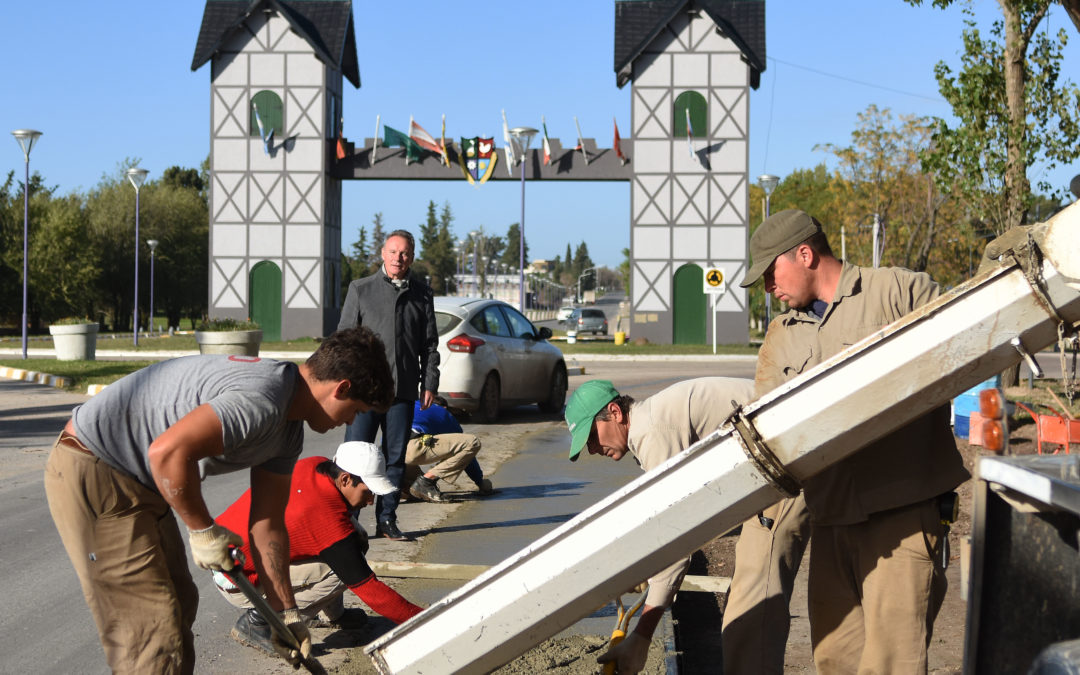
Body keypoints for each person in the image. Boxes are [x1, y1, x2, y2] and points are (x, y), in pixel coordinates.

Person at [43, 326, 395, 673]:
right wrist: (203, 531)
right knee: (152, 633)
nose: (351, 420)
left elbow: (268, 525)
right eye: (357, 410)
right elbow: (167, 452)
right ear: (341, 388)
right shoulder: (264, 397)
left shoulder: (288, 429)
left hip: (142, 483)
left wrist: (285, 614)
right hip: (97, 467)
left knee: (181, 602)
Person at [735, 209, 969, 673]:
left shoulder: (898, 292)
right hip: (831, 519)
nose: (767, 289)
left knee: (893, 662)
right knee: (834, 658)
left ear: (805, 254)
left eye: (770, 274)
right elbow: (768, 431)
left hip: (901, 515)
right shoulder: (781, 337)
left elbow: (967, 343)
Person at [563, 377, 756, 675]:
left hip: (788, 454)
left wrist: (642, 636)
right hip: (772, 460)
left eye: (591, 437)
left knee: (751, 601)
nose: (592, 449)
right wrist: (642, 564)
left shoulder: (653, 433)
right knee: (746, 601)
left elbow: (677, 540)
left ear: (614, 412)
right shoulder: (650, 424)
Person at [214, 441, 424, 655]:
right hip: (237, 578)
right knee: (341, 571)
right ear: (345, 479)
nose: (371, 501)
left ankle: (333, 615)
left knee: (355, 538)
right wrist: (425, 620)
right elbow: (373, 592)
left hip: (226, 548)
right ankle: (259, 622)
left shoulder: (318, 465)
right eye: (368, 492)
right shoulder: (326, 520)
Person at [338, 229, 440, 541]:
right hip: (364, 394)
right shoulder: (361, 289)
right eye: (393, 251)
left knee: (394, 459)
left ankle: (387, 520)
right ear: (383, 254)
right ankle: (347, 524)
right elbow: (343, 340)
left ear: (412, 256)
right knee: (355, 458)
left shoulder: (422, 294)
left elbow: (430, 346)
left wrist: (429, 381)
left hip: (403, 391)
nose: (398, 258)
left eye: (405, 252)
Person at [403, 398, 493, 503]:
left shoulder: (412, 403)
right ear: (445, 407)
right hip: (412, 446)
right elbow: (467, 453)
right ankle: (426, 482)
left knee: (413, 483)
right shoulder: (444, 413)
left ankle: (403, 487)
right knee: (472, 442)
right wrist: (480, 482)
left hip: (390, 454)